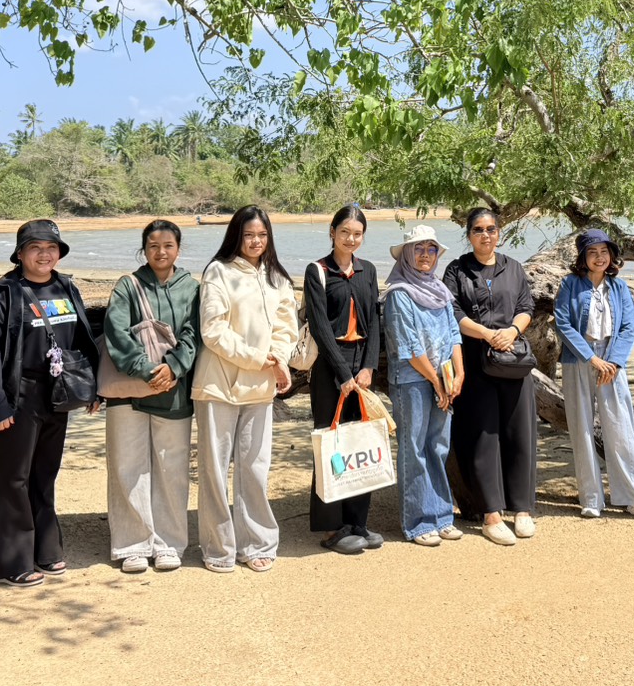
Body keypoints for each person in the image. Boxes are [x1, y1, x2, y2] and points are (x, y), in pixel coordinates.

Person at [0, 219, 102, 587]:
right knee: (14, 479)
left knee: (45, 475)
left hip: (57, 394)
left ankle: (45, 550)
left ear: (59, 253)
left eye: (51, 248)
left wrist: (91, 388)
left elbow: (81, 340)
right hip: (19, 396)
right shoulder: (4, 293)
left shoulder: (66, 287)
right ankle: (10, 563)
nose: (44, 254)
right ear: (20, 254)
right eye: (35, 248)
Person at [195, 206, 297, 573]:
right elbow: (213, 330)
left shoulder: (277, 278)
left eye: (263, 235)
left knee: (255, 468)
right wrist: (260, 358)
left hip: (261, 386)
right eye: (249, 235)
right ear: (236, 236)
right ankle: (218, 548)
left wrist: (280, 360)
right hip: (218, 385)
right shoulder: (218, 272)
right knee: (215, 469)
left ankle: (257, 542)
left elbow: (287, 326)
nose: (256, 242)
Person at [103, 219, 200, 574]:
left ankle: (169, 544)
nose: (161, 252)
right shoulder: (127, 286)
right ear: (144, 249)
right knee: (128, 467)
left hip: (174, 390)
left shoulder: (191, 287)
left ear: (178, 247)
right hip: (129, 392)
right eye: (154, 245)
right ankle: (132, 544)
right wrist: (146, 370)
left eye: (168, 245)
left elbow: (194, 334)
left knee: (171, 469)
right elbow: (116, 333)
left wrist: (173, 368)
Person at [554, 229, 634, 523]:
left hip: (612, 362)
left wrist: (613, 362)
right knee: (582, 429)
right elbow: (563, 324)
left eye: (604, 252)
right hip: (579, 359)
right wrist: (591, 358)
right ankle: (590, 498)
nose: (599, 257)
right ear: (582, 258)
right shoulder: (569, 284)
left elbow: (629, 327)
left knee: (621, 428)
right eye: (592, 252)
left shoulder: (620, 288)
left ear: (612, 256)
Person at [443, 207, 538, 546]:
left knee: (520, 433)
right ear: (469, 235)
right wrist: (485, 333)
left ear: (499, 233)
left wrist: (512, 331)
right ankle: (492, 514)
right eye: (479, 229)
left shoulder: (513, 267)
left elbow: (527, 306)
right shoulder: (456, 270)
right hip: (475, 360)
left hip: (512, 359)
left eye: (491, 229)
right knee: (483, 436)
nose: (486, 235)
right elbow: (451, 311)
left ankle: (523, 510)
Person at [304, 205, 384, 554]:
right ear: (332, 232)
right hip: (329, 366)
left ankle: (359, 523)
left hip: (362, 366)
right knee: (332, 443)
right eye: (345, 232)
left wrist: (367, 368)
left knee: (362, 442)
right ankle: (333, 527)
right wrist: (343, 374)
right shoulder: (317, 271)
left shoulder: (367, 270)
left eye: (357, 234)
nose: (351, 239)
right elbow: (320, 326)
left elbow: (375, 323)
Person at [383, 224, 465, 546]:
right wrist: (437, 383)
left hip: (442, 381)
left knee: (438, 447)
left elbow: (454, 335)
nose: (426, 255)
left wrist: (458, 376)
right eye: (418, 249)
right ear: (406, 254)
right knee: (414, 450)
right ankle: (418, 522)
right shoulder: (399, 294)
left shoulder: (441, 292)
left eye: (431, 249)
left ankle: (442, 515)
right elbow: (409, 346)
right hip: (412, 382)